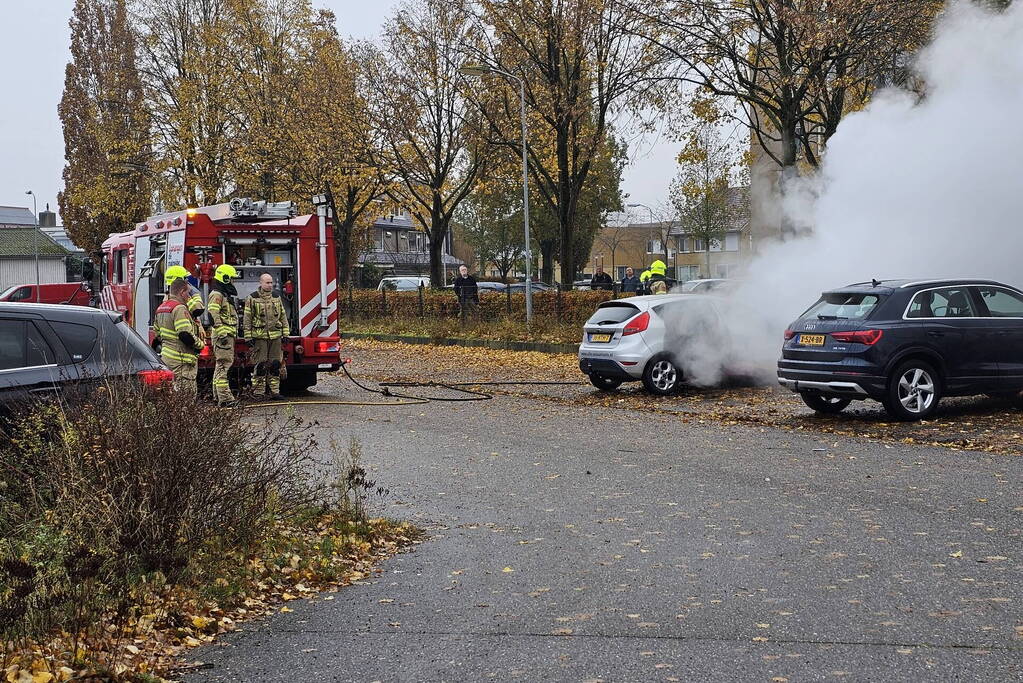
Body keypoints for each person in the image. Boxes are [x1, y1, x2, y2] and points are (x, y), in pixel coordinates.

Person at [153, 279, 204, 396]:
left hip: (167, 359)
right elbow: (185, 334)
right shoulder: (180, 308)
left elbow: (158, 335)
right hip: (182, 362)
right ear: (182, 292)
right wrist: (200, 345)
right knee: (186, 398)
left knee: (171, 397)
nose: (189, 297)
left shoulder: (161, 308)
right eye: (188, 293)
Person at [244, 273, 290, 399]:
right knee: (260, 366)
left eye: (271, 283)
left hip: (275, 336)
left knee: (275, 364)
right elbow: (247, 318)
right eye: (267, 283)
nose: (270, 285)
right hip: (260, 337)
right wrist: (248, 336)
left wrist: (286, 333)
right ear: (261, 283)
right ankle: (258, 392)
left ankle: (275, 392)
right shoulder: (252, 298)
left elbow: (283, 316)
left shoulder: (276, 297)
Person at [207, 264, 240, 406]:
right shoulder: (217, 295)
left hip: (225, 335)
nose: (233, 282)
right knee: (223, 366)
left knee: (220, 366)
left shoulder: (222, 294)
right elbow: (212, 314)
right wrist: (222, 333)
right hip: (223, 337)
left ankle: (218, 396)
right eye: (232, 279)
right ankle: (226, 399)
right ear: (225, 279)